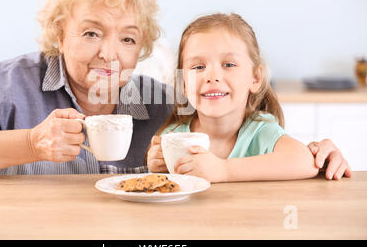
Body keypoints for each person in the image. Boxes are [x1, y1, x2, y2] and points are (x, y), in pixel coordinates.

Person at [0, 0, 350, 179]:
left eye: (127, 38)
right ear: (58, 33)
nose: (110, 55)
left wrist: (315, 153)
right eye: (90, 33)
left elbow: (233, 137)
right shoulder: (7, 86)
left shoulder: (161, 102)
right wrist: (32, 142)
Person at [146, 13, 352, 182]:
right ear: (183, 83)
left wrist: (223, 170)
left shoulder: (260, 130)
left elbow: (304, 161)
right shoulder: (175, 136)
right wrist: (156, 164)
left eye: (228, 64)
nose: (212, 76)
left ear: (255, 78)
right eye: (198, 67)